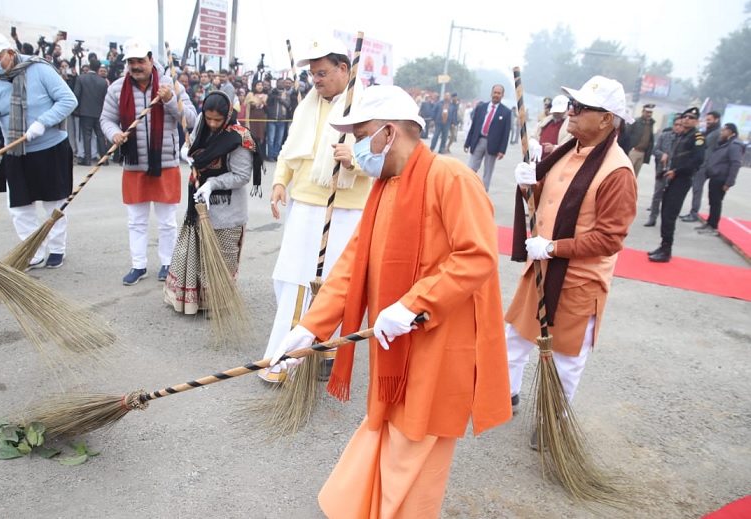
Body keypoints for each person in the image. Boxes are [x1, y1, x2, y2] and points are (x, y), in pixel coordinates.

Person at [269, 85, 511, 517]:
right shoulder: (383, 187)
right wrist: (309, 328)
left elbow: (476, 256)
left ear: (388, 132)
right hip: (395, 345)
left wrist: (414, 303)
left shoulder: (451, 178)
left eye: (360, 135)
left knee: (415, 450)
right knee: (389, 433)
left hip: (440, 345)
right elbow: (350, 268)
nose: (354, 147)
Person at [507, 76, 637, 446]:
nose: (572, 113)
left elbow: (611, 239)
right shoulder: (569, 150)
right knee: (515, 337)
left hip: (578, 277)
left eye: (582, 109)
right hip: (543, 266)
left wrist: (553, 248)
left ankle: (553, 420)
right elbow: (545, 202)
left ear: (607, 119)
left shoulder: (617, 171)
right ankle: (509, 393)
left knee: (566, 357)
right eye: (573, 106)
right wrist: (528, 184)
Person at [257, 38, 370, 384]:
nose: (316, 80)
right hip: (304, 205)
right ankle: (295, 349)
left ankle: (314, 352)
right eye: (313, 74)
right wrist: (279, 182)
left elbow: (389, 156)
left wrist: (356, 159)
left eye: (322, 73)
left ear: (343, 70)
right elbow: (292, 150)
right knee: (290, 277)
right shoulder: (306, 105)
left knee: (333, 285)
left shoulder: (366, 105)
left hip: (345, 209)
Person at [0, 31, 77, 270]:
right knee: (19, 207)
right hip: (15, 150)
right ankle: (33, 252)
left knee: (54, 202)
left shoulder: (39, 69)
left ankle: (57, 248)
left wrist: (43, 122)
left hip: (49, 146)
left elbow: (68, 100)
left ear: (10, 52)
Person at [100, 37, 197, 285]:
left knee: (166, 221)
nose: (136, 66)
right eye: (131, 62)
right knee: (136, 220)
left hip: (165, 163)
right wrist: (114, 133)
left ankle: (167, 263)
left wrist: (169, 101)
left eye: (140, 61)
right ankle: (138, 265)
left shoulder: (170, 84)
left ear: (151, 60)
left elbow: (191, 119)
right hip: (133, 164)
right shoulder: (116, 89)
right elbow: (106, 120)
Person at [164, 90, 262, 313]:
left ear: (227, 115)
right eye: (209, 118)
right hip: (198, 205)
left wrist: (212, 184)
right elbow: (195, 148)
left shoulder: (238, 138)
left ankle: (219, 303)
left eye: (218, 119)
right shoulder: (201, 123)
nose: (213, 123)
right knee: (196, 255)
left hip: (228, 211)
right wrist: (188, 153)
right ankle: (194, 301)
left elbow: (242, 176)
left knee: (222, 259)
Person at [647, 107, 705, 263]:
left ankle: (666, 250)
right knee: (665, 212)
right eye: (685, 116)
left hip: (682, 178)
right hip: (672, 176)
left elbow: (698, 160)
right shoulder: (682, 135)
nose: (687, 119)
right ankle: (663, 245)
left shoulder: (697, 137)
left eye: (691, 117)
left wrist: (677, 171)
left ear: (697, 121)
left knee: (669, 214)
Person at [695, 123, 743, 236]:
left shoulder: (734, 145)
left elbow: (735, 164)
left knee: (716, 202)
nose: (721, 133)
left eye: (724, 131)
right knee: (712, 202)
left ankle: (713, 226)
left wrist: (729, 182)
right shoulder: (725, 143)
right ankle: (709, 223)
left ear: (730, 132)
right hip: (715, 176)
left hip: (722, 178)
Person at [463, 84, 511, 191]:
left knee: (488, 172)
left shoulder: (506, 112)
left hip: (493, 145)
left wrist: (502, 150)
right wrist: (467, 143)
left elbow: (506, 133)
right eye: (495, 92)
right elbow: (474, 126)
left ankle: (483, 195)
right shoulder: (481, 108)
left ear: (502, 95)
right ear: (491, 93)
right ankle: (467, 190)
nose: (496, 95)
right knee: (471, 168)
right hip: (479, 141)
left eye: (499, 93)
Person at [680, 110, 721, 222]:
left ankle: (694, 213)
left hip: (706, 165)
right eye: (706, 119)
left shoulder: (717, 133)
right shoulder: (708, 132)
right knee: (696, 189)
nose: (707, 122)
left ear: (716, 120)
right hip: (703, 164)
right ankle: (693, 211)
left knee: (697, 190)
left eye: (709, 120)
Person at [645, 114, 683, 227]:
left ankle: (667, 220)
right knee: (657, 194)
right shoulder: (665, 136)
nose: (678, 127)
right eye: (676, 125)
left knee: (671, 198)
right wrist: (662, 155)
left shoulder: (684, 139)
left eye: (680, 125)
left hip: (676, 172)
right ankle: (652, 217)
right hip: (662, 170)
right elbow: (654, 150)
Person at [74, 59, 109, 166]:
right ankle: (104, 159)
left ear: (89, 67)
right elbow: (105, 98)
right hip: (99, 112)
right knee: (100, 135)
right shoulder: (103, 82)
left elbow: (76, 94)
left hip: (85, 112)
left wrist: (78, 109)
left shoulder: (81, 78)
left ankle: (87, 159)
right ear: (99, 69)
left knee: (86, 135)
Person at [534, 94, 571, 161]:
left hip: (556, 160)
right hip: (539, 159)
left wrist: (554, 148)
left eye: (560, 112)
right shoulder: (545, 122)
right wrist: (535, 145)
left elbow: (570, 144)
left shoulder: (571, 125)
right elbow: (534, 136)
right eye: (555, 111)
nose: (557, 114)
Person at [626, 103, 656, 178]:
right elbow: (626, 135)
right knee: (627, 173)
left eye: (650, 112)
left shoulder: (651, 123)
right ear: (642, 112)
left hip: (642, 153)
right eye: (647, 112)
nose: (648, 114)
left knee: (635, 176)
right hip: (633, 151)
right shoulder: (635, 122)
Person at [243, 80, 267, 159]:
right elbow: (246, 105)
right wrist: (254, 104)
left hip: (261, 119)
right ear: (255, 86)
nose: (260, 87)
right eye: (258, 85)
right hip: (252, 119)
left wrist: (263, 103)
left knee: (260, 137)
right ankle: (250, 154)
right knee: (252, 136)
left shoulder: (265, 96)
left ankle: (258, 155)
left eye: (261, 85)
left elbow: (267, 109)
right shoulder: (250, 95)